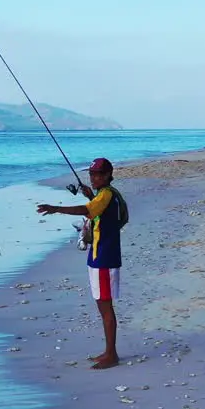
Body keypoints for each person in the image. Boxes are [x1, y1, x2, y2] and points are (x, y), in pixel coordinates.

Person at [35, 157, 129, 369]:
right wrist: (91, 196)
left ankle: (112, 354)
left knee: (105, 307)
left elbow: (87, 211)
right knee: (101, 304)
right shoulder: (107, 194)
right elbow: (104, 210)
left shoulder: (106, 195)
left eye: (99, 174)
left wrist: (56, 208)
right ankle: (108, 351)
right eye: (92, 174)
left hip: (104, 257)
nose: (94, 178)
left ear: (108, 175)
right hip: (99, 255)